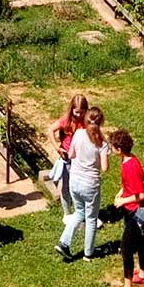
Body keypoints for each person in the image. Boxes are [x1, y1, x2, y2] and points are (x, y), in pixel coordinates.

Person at [56, 105, 109, 262]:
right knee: (91, 218)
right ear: (101, 123)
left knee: (79, 212)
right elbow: (105, 168)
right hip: (90, 184)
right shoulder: (102, 144)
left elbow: (71, 154)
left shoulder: (78, 134)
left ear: (86, 120)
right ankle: (88, 253)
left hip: (75, 181)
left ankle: (64, 242)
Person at [107, 128, 144, 287]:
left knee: (126, 248)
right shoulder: (129, 160)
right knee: (141, 242)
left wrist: (122, 201)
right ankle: (143, 274)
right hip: (134, 210)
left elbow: (141, 195)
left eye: (112, 147)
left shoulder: (130, 166)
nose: (111, 149)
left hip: (138, 212)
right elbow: (130, 185)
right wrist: (121, 192)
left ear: (119, 149)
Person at [49, 94, 89, 210]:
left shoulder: (86, 121)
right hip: (67, 157)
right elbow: (51, 129)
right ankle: (67, 213)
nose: (78, 115)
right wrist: (57, 147)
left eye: (81, 112)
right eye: (76, 112)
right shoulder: (66, 120)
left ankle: (79, 211)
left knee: (79, 186)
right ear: (72, 109)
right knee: (66, 185)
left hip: (80, 158)